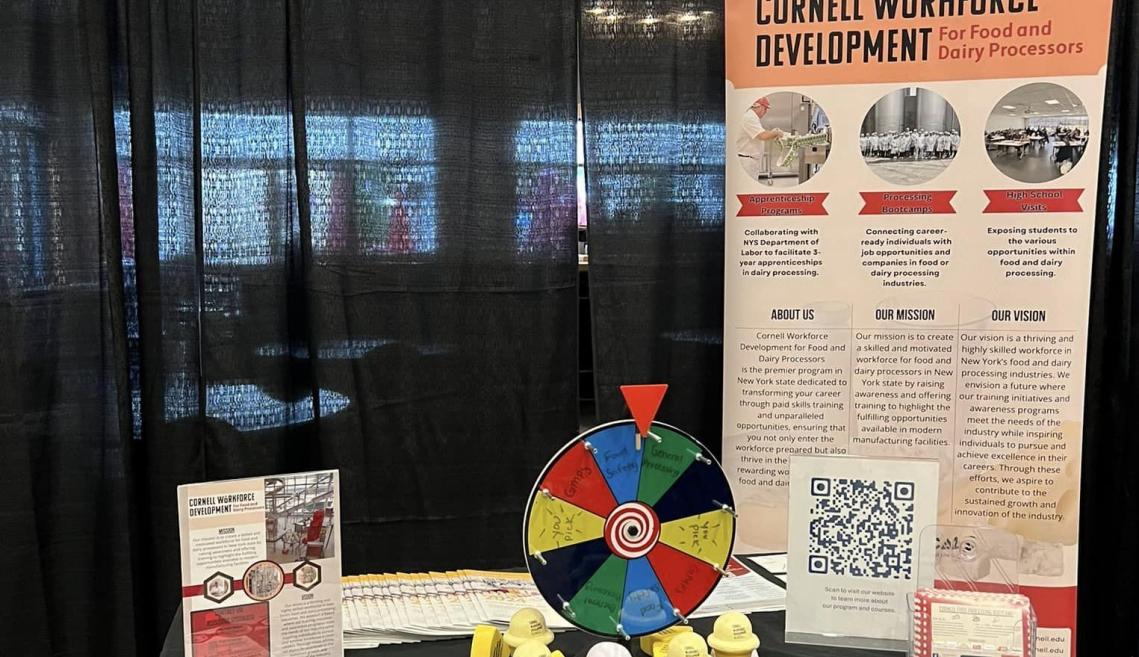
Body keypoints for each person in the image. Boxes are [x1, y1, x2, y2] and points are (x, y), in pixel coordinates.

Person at [737, 97, 785, 182]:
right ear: (758, 106)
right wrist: (777, 133)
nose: (766, 112)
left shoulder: (753, 117)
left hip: (750, 160)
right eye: (765, 108)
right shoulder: (749, 117)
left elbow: (762, 134)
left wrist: (772, 133)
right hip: (747, 161)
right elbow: (763, 136)